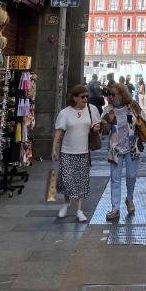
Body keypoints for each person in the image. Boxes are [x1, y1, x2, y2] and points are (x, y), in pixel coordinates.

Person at [101, 82, 146, 222]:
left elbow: (145, 118)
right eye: (109, 95)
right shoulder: (108, 110)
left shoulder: (132, 105)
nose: (110, 97)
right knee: (115, 179)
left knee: (131, 176)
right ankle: (115, 208)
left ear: (121, 94)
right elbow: (104, 131)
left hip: (132, 147)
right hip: (115, 149)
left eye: (113, 95)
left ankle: (129, 199)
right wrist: (109, 121)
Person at [51, 84, 102, 221]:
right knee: (67, 181)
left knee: (81, 181)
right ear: (74, 98)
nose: (85, 99)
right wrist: (54, 147)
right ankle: (66, 203)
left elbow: (97, 124)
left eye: (87, 96)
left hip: (83, 151)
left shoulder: (92, 109)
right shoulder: (65, 113)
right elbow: (59, 131)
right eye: (82, 97)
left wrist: (97, 127)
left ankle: (79, 210)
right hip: (67, 151)